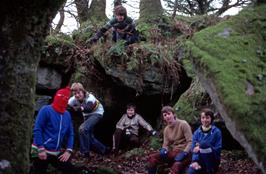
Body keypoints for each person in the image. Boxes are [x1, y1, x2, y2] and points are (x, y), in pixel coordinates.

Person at [31, 87, 75, 174]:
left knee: (71, 170)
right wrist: (40, 148)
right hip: (40, 149)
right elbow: (37, 129)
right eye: (61, 96)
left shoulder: (67, 114)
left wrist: (69, 150)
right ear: (56, 96)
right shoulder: (46, 110)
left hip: (55, 152)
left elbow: (71, 134)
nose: (63, 99)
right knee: (39, 170)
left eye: (66, 98)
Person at [147, 106, 192, 174]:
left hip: (185, 153)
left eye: (169, 114)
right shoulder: (166, 130)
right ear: (164, 118)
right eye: (165, 115)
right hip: (174, 152)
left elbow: (190, 141)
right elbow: (165, 144)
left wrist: (185, 152)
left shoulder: (183, 124)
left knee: (176, 166)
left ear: (173, 114)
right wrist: (164, 150)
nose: (167, 116)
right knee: (152, 157)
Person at [68, 82, 109, 158]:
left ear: (83, 91)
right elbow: (67, 106)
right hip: (86, 116)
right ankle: (105, 150)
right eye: (75, 94)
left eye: (79, 93)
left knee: (82, 129)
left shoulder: (90, 97)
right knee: (89, 136)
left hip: (97, 113)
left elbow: (88, 108)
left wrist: (78, 108)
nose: (77, 95)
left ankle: (84, 152)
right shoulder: (72, 100)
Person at [188, 108, 222, 174]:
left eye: (207, 118)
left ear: (211, 119)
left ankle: (210, 170)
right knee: (190, 172)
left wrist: (200, 147)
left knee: (204, 145)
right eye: (203, 118)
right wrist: (195, 161)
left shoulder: (217, 132)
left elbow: (218, 149)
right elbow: (193, 149)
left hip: (212, 161)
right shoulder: (197, 132)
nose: (205, 120)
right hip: (199, 161)